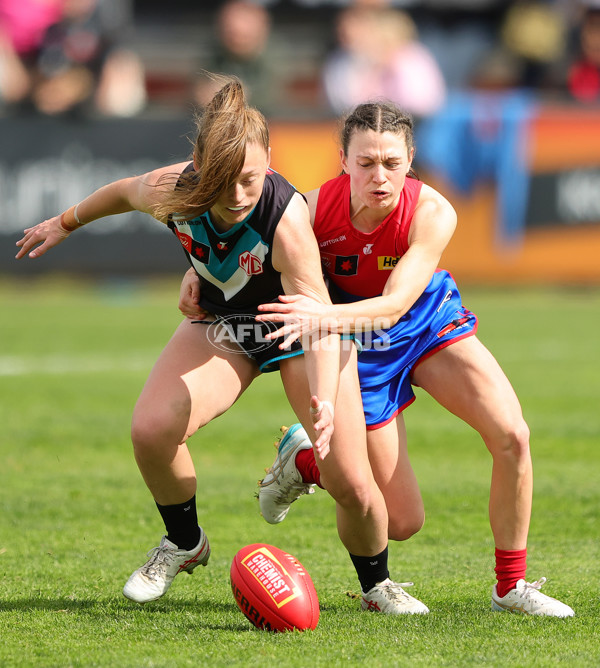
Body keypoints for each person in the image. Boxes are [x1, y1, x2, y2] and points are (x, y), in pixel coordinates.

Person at [15, 80, 420, 616]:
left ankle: (378, 585)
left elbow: (319, 320)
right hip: (225, 324)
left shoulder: (287, 220)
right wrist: (64, 223)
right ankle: (184, 543)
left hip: (295, 330)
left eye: (250, 179)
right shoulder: (171, 189)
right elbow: (120, 192)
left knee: (351, 481)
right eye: (223, 180)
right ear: (198, 163)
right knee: (151, 429)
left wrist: (325, 400)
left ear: (270, 162)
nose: (236, 196)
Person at [179, 100, 575, 617]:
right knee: (401, 521)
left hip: (423, 322)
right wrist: (200, 278)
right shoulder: (311, 211)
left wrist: (321, 320)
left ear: (411, 159)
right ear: (342, 159)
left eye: (391, 163)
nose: (379, 176)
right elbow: (240, 246)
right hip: (358, 349)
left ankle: (511, 586)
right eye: (366, 163)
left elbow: (393, 305)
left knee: (512, 434)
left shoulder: (433, 211)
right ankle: (306, 462)